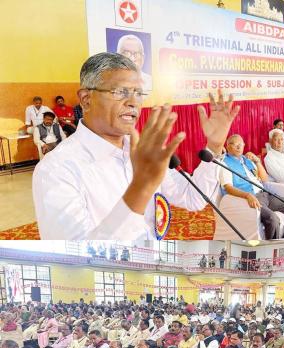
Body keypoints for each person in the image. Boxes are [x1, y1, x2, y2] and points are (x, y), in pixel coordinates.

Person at [32, 52, 240, 240]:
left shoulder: (143, 152)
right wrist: (140, 190)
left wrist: (214, 146)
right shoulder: (57, 169)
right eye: (120, 92)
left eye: (138, 93)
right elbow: (77, 258)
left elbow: (192, 198)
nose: (133, 102)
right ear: (86, 99)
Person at [220, 134, 284, 239]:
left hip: (265, 194)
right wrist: (247, 195)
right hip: (249, 199)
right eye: (235, 144)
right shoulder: (225, 163)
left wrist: (257, 162)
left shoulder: (247, 160)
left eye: (241, 144)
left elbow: (264, 179)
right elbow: (228, 187)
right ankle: (273, 246)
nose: (239, 147)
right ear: (228, 146)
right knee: (273, 219)